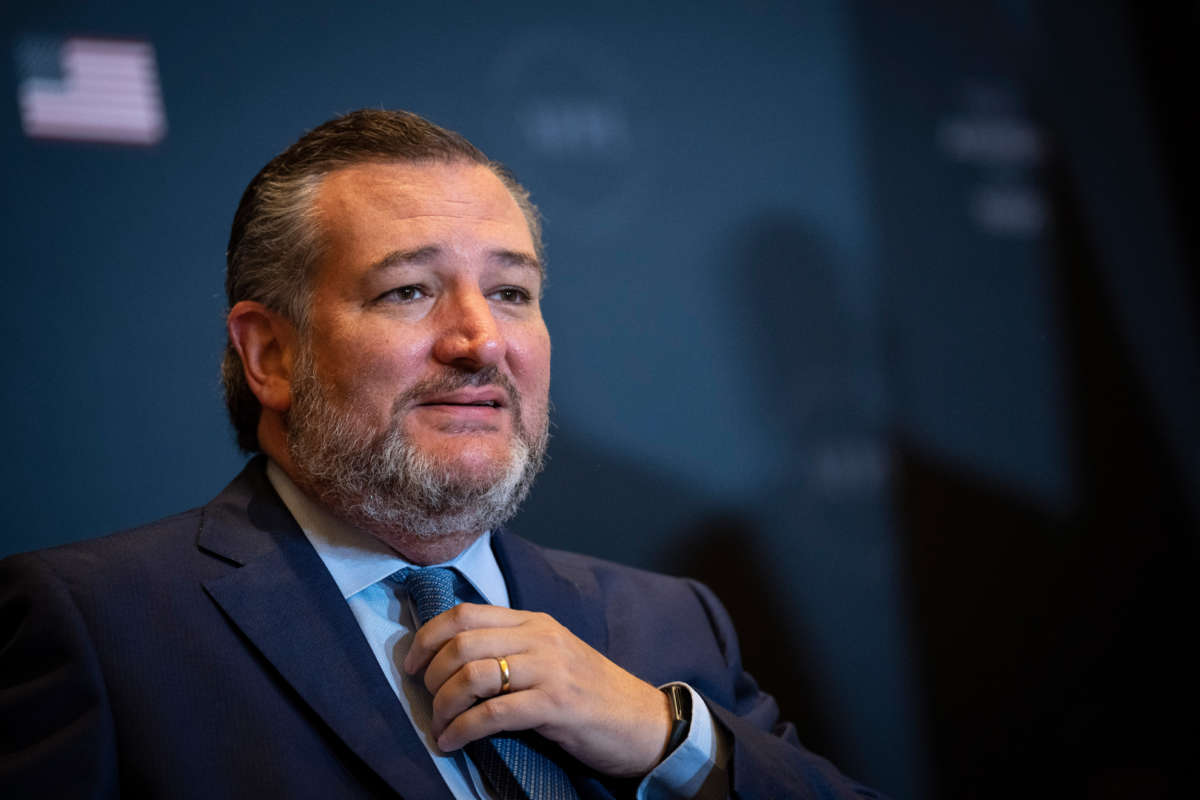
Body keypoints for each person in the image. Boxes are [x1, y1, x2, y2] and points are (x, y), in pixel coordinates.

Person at [0, 109, 883, 799]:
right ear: (271, 355)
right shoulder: (101, 629)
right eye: (409, 290)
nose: (480, 340)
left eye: (511, 291)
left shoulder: (672, 625)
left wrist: (663, 736)